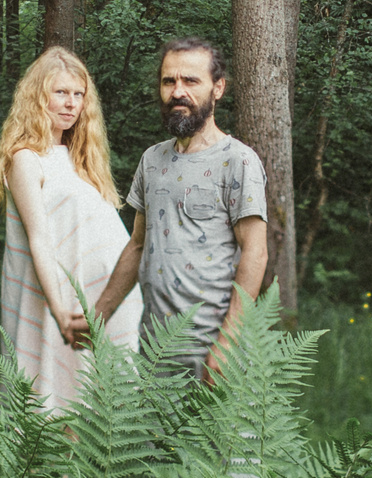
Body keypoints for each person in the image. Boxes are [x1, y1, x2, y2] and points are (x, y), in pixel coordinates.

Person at [94, 37, 268, 383]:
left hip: (214, 350)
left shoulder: (238, 160)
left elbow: (256, 252)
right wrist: (97, 315)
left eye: (191, 81)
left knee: (220, 439)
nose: (177, 92)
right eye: (168, 81)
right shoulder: (152, 159)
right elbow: (138, 245)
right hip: (156, 349)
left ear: (217, 88)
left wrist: (229, 341)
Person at [0, 46, 139, 411]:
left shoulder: (81, 160)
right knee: (53, 406)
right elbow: (39, 239)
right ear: (38, 96)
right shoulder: (25, 159)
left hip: (101, 302)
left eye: (78, 94)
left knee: (99, 414)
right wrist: (60, 312)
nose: (71, 103)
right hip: (58, 301)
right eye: (60, 92)